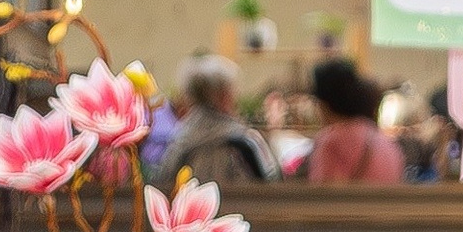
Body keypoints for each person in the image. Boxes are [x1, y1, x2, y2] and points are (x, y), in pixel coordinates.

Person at [158, 58, 277, 196]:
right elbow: (273, 182)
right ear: (223, 95)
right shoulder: (246, 139)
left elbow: (163, 179)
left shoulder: (180, 138)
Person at [304, 56, 405, 187]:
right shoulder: (383, 141)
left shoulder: (331, 142)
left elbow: (323, 198)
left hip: (349, 207)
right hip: (385, 207)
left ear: (322, 104)